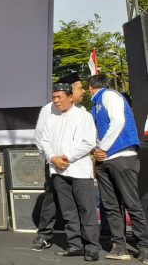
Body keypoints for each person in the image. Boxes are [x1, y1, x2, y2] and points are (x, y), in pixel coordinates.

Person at [88, 74, 148, 263]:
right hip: (104, 159)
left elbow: (119, 122)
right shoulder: (95, 106)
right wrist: (96, 150)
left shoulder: (109, 95)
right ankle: (119, 246)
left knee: (131, 204)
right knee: (111, 206)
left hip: (121, 156)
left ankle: (144, 247)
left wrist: (103, 148)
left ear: (91, 87)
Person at [38, 83, 100, 262]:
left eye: (59, 97)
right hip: (58, 170)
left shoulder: (84, 116)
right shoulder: (51, 119)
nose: (56, 101)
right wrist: (52, 157)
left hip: (79, 171)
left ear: (70, 97)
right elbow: (44, 141)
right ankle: (75, 245)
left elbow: (89, 142)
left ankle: (92, 247)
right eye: (54, 97)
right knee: (68, 211)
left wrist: (67, 158)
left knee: (86, 209)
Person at [30, 72, 85, 251]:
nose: (83, 91)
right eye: (79, 88)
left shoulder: (82, 112)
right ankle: (45, 234)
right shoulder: (49, 109)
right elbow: (40, 138)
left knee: (80, 200)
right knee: (52, 198)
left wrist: (71, 157)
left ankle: (80, 238)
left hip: (76, 164)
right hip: (54, 163)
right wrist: (52, 158)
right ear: (69, 91)